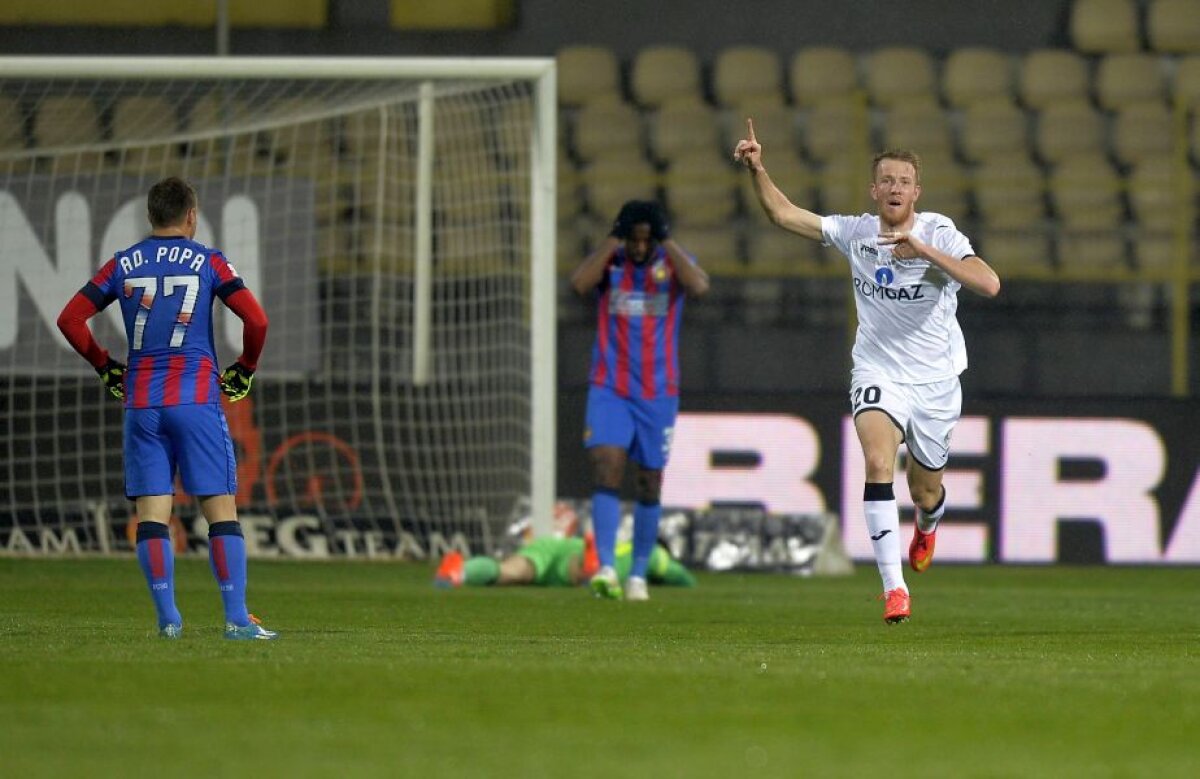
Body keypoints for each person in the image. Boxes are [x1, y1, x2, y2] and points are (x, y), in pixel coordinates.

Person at [733, 120, 1001, 623]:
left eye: (904, 181)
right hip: (877, 369)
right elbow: (783, 214)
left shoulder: (939, 232)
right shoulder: (856, 232)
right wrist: (758, 169)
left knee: (925, 490)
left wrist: (923, 251)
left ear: (916, 192)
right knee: (878, 462)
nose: (895, 188)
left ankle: (928, 523)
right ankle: (893, 590)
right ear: (873, 190)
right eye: (887, 181)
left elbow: (989, 284)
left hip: (936, 382)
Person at [56, 176, 276, 640]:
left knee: (153, 514)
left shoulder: (123, 264)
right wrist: (246, 365)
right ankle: (237, 620)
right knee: (220, 511)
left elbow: (70, 319)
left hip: (141, 403)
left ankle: (168, 619)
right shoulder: (208, 261)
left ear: (151, 216)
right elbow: (256, 319)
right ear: (191, 216)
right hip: (195, 400)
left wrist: (103, 365)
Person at [569, 200, 710, 601]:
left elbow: (699, 285)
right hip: (610, 386)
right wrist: (613, 236)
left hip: (658, 392)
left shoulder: (672, 264)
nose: (637, 247)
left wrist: (667, 239)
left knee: (650, 481)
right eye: (632, 239)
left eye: (645, 239)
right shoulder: (610, 264)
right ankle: (608, 569)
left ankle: (638, 575)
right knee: (607, 466)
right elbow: (579, 284)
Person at [434, 533, 697, 589]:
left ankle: (460, 569)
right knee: (516, 573)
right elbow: (682, 577)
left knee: (511, 572)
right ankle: (589, 570)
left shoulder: (622, 545)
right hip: (569, 554)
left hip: (560, 547)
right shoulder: (653, 553)